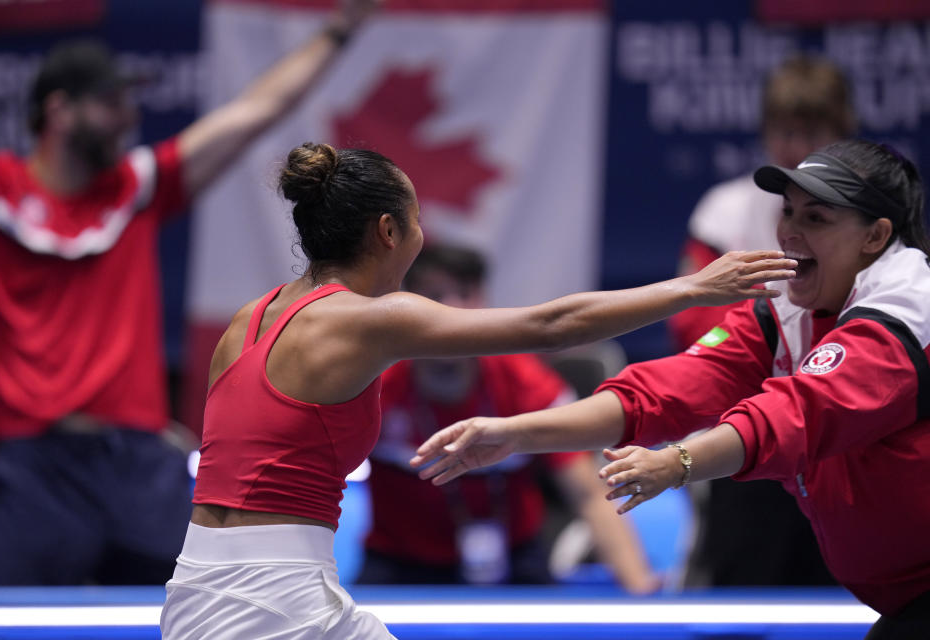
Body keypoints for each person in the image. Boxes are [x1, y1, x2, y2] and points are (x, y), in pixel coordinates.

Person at [159, 141, 795, 638]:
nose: (422, 233)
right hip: (270, 599)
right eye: (416, 219)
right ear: (388, 231)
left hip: (205, 581)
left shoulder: (250, 318)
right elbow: (550, 327)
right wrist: (693, 289)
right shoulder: (367, 318)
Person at [412, 140, 930, 639]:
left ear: (875, 236)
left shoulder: (906, 306)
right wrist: (516, 434)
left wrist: (676, 462)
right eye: (788, 211)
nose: (789, 232)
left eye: (815, 218)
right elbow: (670, 389)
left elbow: (798, 412)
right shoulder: (784, 307)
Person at [0, 0, 378, 586]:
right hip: (34, 464)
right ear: (58, 110)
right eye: (110, 103)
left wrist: (342, 29)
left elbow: (255, 112)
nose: (127, 116)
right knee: (19, 627)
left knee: (189, 619)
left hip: (139, 464)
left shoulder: (136, 189)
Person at [358, 244, 659, 592]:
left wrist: (640, 588)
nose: (453, 308)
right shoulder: (371, 387)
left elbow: (588, 495)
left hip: (517, 560)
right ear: (407, 304)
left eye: (465, 293)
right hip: (398, 565)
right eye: (436, 295)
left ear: (483, 300)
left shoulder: (525, 383)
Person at [667, 54, 855, 588]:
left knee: (843, 595)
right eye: (784, 131)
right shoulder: (724, 212)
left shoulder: (870, 214)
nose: (796, 147)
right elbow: (691, 324)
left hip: (840, 435)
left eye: (811, 132)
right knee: (743, 596)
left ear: (842, 132)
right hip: (745, 430)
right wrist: (769, 359)